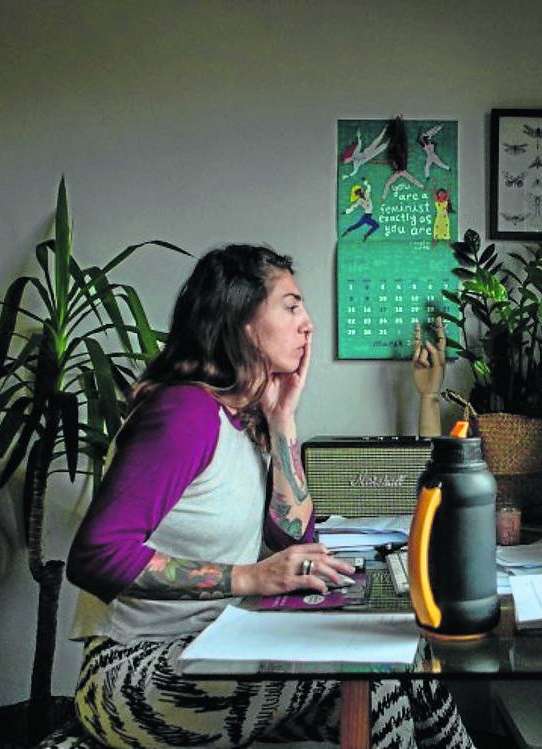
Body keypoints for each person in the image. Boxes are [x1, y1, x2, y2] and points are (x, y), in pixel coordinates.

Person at [60, 245, 474, 749]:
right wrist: (249, 577)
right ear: (242, 321)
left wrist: (283, 424)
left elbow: (295, 537)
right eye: (292, 305)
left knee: (409, 677)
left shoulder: (244, 420)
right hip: (134, 675)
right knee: (378, 665)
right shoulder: (184, 414)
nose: (307, 325)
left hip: (212, 646)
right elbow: (96, 555)